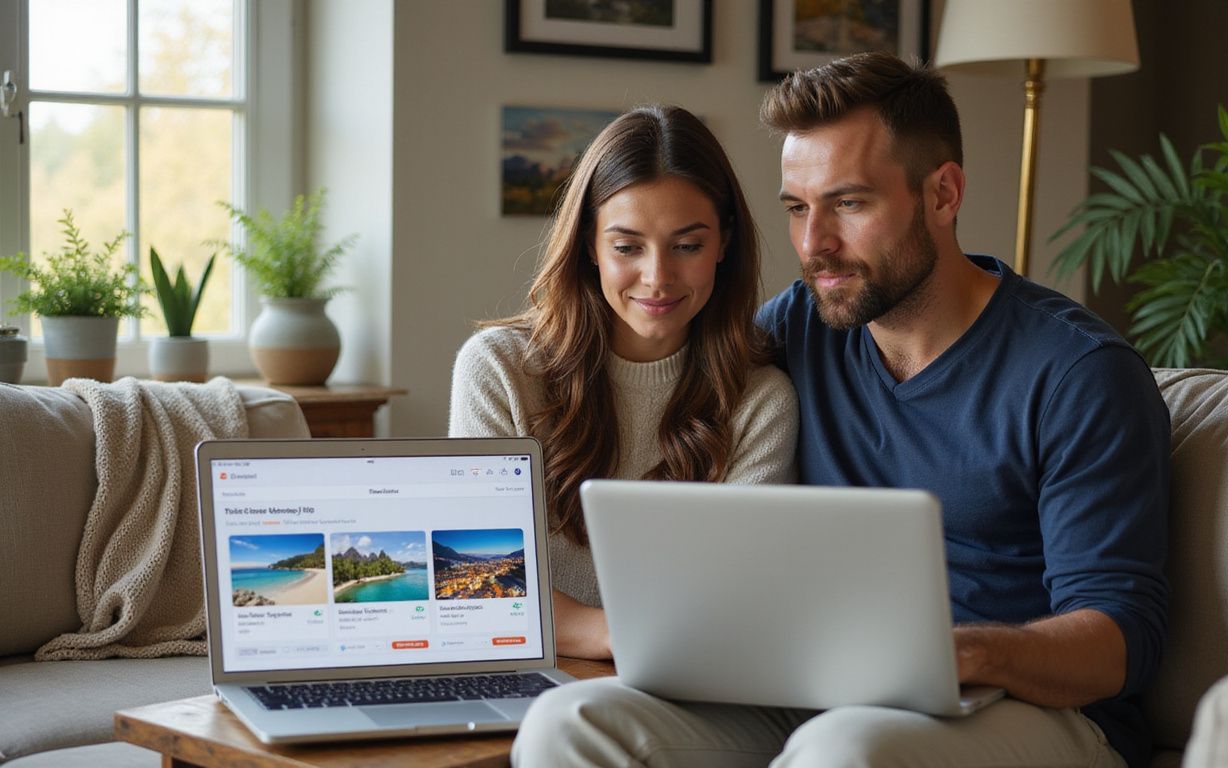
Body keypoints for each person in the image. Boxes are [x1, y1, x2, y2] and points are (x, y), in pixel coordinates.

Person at [511, 53, 1170, 768]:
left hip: (1032, 712)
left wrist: (964, 650)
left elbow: (1121, 640)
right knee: (568, 722)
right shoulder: (802, 327)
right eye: (797, 207)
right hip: (819, 693)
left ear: (943, 194)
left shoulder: (1077, 375)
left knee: (844, 751)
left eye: (849, 204)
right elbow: (661, 365)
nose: (813, 244)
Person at [449, 105, 798, 661]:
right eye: (627, 246)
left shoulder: (760, 400)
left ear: (724, 243)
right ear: (590, 244)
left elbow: (732, 595)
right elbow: (475, 579)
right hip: (523, 664)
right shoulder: (499, 371)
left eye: (688, 245)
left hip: (683, 677)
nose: (657, 276)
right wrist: (615, 634)